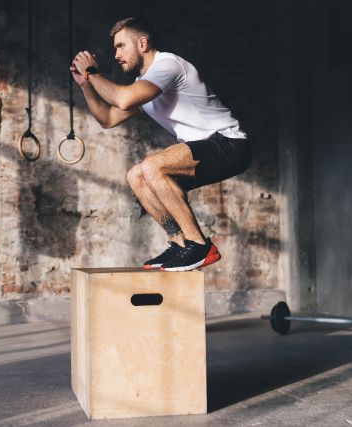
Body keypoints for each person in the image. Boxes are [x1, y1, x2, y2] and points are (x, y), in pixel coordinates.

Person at [70, 17, 251, 272]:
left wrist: (92, 72)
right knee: (136, 175)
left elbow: (123, 99)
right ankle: (179, 243)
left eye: (121, 46)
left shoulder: (168, 65)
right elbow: (108, 118)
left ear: (142, 43)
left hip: (229, 143)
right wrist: (86, 86)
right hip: (207, 147)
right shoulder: (143, 85)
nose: (116, 54)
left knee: (153, 166)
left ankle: (199, 245)